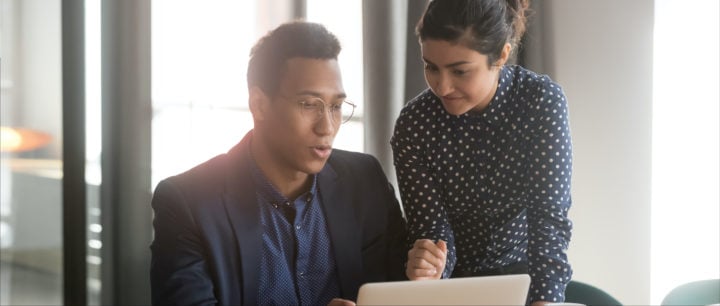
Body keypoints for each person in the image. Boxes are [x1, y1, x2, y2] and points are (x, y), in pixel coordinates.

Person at [150, 21, 407, 306]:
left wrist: (424, 268)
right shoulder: (189, 202)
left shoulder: (364, 180)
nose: (327, 127)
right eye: (309, 104)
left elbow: (399, 289)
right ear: (259, 104)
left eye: (335, 106)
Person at [391, 0, 573, 305]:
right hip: (450, 285)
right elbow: (431, 227)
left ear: (501, 55)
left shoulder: (540, 103)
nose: (442, 86)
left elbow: (548, 219)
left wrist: (545, 299)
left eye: (460, 71)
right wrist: (431, 266)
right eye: (430, 67)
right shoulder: (414, 124)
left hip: (522, 278)